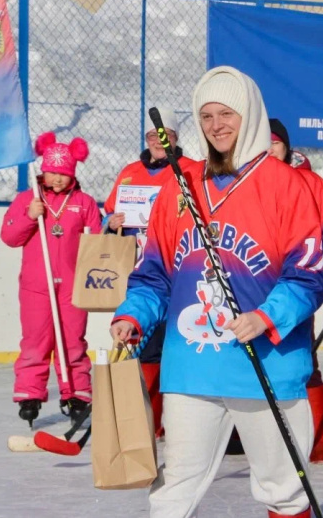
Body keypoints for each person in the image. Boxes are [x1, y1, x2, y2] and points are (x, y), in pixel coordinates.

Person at [110, 66, 323, 518]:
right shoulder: (179, 187)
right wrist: (132, 315)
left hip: (264, 364)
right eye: (206, 115)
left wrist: (266, 316)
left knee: (283, 489)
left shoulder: (286, 186)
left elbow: (308, 277)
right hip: (192, 367)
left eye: (226, 113)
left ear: (250, 114)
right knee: (173, 489)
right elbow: (154, 273)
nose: (216, 125)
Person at [103, 107, 196, 438]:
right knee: (149, 345)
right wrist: (110, 223)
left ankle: (189, 422)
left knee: (184, 342)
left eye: (166, 136)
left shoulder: (190, 171)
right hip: (142, 274)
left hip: (182, 269)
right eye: (153, 137)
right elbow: (109, 214)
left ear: (175, 138)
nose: (159, 142)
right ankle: (151, 420)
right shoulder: (129, 173)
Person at [0, 132, 102, 427]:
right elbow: (8, 236)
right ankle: (29, 394)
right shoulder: (27, 199)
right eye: (52, 172)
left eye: (63, 173)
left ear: (72, 174)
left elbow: (95, 240)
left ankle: (77, 394)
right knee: (36, 340)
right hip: (37, 285)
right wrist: (29, 217)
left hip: (72, 284)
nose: (57, 179)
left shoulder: (83, 203)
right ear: (43, 171)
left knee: (72, 341)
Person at [269, 118, 323, 464]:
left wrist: (315, 267)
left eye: (275, 142)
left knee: (304, 359)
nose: (268, 149)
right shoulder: (244, 182)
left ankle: (320, 438)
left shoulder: (310, 183)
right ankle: (245, 433)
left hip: (295, 285)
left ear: (287, 146)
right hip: (253, 284)